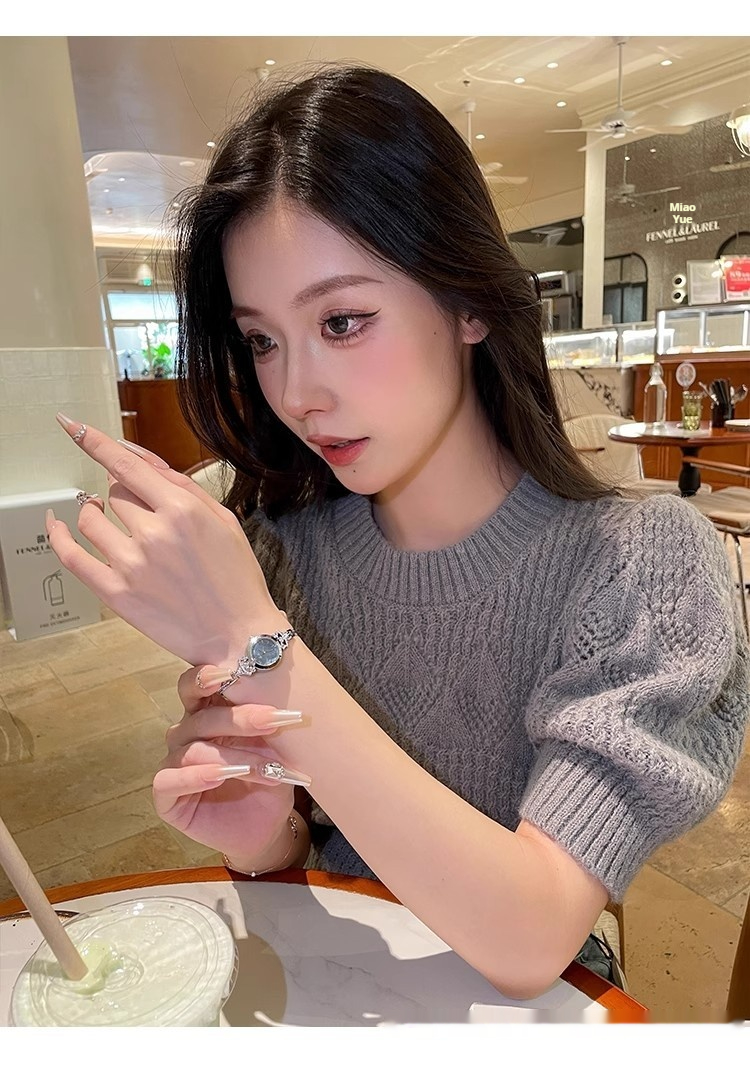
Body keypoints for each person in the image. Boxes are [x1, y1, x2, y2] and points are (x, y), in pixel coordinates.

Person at [48, 64, 749, 1002]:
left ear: (469, 302)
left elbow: (533, 934)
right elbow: (314, 858)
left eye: (343, 321)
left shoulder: (636, 561)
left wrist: (258, 646)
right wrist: (266, 836)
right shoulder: (284, 547)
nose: (297, 392)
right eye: (262, 340)